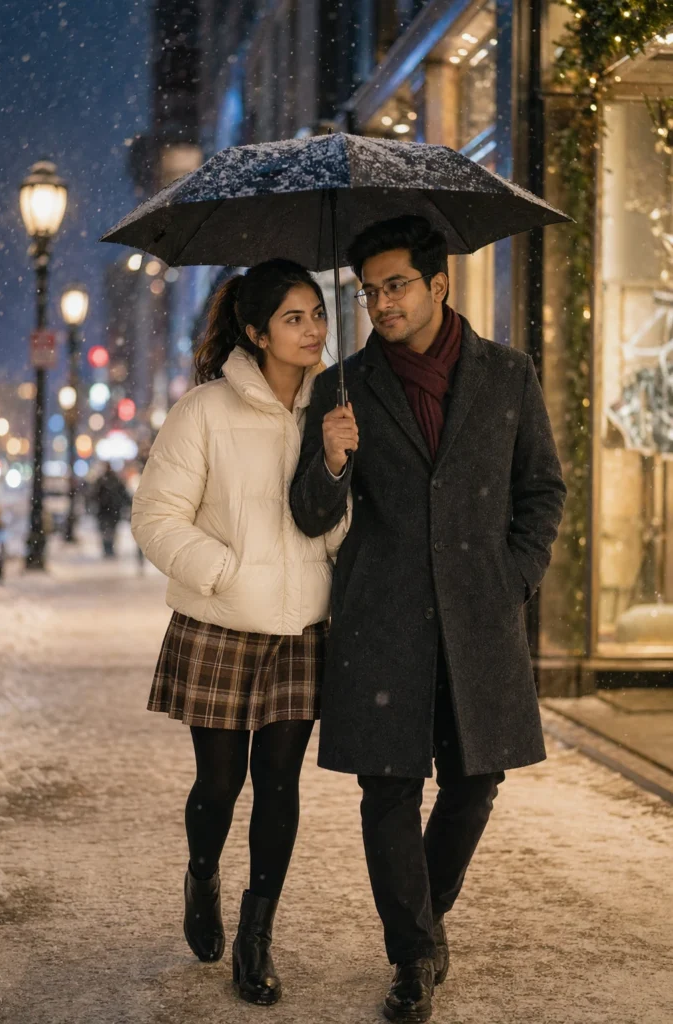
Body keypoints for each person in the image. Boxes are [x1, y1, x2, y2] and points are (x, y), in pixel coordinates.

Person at [290, 216, 566, 1023]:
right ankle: (411, 956)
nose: (380, 302)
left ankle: (424, 916)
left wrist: (513, 575)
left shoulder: (507, 376)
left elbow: (540, 490)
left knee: (477, 781)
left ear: (438, 285)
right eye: (370, 290)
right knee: (388, 790)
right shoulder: (342, 386)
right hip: (383, 617)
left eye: (395, 285)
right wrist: (332, 458)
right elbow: (310, 514)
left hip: (481, 615)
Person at [131, 260, 351, 1006]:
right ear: (255, 333)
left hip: (299, 629)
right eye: (293, 318)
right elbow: (156, 517)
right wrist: (221, 571)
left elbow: (336, 528)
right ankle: (201, 874)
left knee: (280, 785)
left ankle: (256, 937)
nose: (313, 328)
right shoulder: (203, 411)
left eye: (316, 313)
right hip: (222, 622)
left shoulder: (333, 408)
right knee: (220, 783)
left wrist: (335, 464)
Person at [93, 463, 130, 558]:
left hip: (107, 510)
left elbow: (94, 495)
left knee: (107, 531)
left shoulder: (102, 481)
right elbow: (124, 494)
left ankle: (108, 549)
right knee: (110, 531)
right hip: (111, 510)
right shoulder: (114, 481)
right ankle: (109, 549)